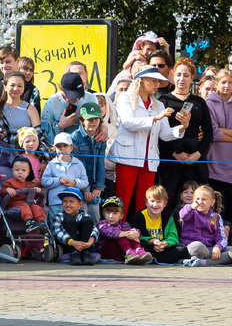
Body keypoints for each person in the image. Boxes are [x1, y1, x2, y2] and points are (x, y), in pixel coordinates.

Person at [111, 67, 186, 215]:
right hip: (128, 156)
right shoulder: (125, 97)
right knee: (123, 199)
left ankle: (143, 234)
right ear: (141, 81)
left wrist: (182, 127)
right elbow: (128, 122)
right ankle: (118, 232)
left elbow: (164, 134)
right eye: (153, 80)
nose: (157, 84)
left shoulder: (159, 105)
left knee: (146, 200)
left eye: (158, 81)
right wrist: (155, 118)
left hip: (149, 159)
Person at [157, 57, 211, 219]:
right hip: (170, 159)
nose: (182, 79)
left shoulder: (199, 102)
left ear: (192, 77)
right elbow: (158, 133)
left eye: (186, 75)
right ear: (173, 75)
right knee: (169, 199)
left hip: (194, 160)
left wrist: (198, 154)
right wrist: (174, 153)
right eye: (179, 74)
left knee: (195, 201)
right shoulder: (164, 101)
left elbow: (208, 132)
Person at [128, 185, 187, 264]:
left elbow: (173, 237)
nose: (155, 205)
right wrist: (151, 241)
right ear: (146, 202)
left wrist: (165, 244)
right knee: (136, 246)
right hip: (147, 247)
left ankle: (153, 259)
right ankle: (155, 258)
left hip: (163, 248)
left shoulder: (168, 216)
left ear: (165, 203)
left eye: (159, 201)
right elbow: (137, 237)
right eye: (152, 201)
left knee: (182, 249)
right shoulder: (139, 217)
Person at [71, 102, 106, 222]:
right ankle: (82, 239)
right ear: (82, 120)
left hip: (94, 184)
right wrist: (86, 189)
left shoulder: (101, 137)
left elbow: (101, 162)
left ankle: (94, 240)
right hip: (80, 185)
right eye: (89, 119)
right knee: (82, 213)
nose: (93, 122)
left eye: (96, 119)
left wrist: (99, 187)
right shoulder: (75, 138)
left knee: (95, 215)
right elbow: (78, 165)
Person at [176, 185, 229, 264]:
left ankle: (202, 262)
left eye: (204, 199)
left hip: (208, 249)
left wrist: (218, 247)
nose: (200, 202)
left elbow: (222, 237)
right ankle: (210, 261)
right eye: (197, 199)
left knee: (230, 251)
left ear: (212, 202)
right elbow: (183, 216)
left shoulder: (216, 217)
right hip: (191, 248)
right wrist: (191, 207)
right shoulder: (190, 210)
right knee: (197, 246)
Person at [41, 71, 98, 142]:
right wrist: (60, 126)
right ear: (62, 88)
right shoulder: (51, 102)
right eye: (72, 96)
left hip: (84, 145)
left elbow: (100, 121)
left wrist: (103, 127)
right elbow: (44, 135)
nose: (76, 99)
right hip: (60, 146)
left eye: (79, 95)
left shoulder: (91, 98)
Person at [42, 132, 90, 216]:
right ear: (55, 148)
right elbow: (45, 181)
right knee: (56, 224)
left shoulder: (78, 164)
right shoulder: (51, 164)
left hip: (73, 203)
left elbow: (85, 181)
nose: (62, 149)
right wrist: (58, 180)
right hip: (56, 201)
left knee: (72, 224)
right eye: (59, 146)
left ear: (71, 147)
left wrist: (75, 183)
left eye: (65, 146)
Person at [0, 156, 48, 234]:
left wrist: (36, 191)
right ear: (12, 171)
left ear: (28, 173)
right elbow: (2, 193)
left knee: (36, 207)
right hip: (14, 204)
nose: (20, 172)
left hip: (28, 203)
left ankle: (41, 222)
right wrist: (7, 189)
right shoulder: (10, 182)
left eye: (23, 170)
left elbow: (33, 197)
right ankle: (29, 222)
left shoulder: (29, 184)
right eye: (17, 170)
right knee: (24, 206)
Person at [96, 197, 150, 264]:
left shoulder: (124, 224)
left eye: (115, 213)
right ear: (104, 214)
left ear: (121, 216)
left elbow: (132, 230)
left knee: (130, 233)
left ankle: (138, 250)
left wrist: (136, 233)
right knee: (122, 232)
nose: (111, 216)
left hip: (120, 253)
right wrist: (124, 233)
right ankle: (129, 252)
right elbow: (108, 232)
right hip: (107, 252)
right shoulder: (102, 224)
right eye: (108, 213)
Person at [205, 69, 232, 204]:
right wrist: (219, 131)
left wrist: (222, 130)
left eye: (230, 82)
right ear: (217, 84)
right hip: (215, 164)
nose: (227, 85)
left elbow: (218, 131)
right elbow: (214, 134)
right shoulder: (209, 103)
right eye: (223, 82)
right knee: (217, 207)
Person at [0, 71, 40, 146]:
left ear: (23, 88)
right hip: (2, 152)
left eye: (20, 86)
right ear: (5, 87)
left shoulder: (31, 109)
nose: (15, 89)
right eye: (12, 85)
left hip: (23, 153)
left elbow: (38, 134)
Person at [53, 188, 96, 265]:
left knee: (87, 220)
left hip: (84, 244)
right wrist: (73, 243)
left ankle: (86, 253)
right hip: (68, 244)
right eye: (65, 201)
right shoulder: (59, 216)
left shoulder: (84, 214)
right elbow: (57, 231)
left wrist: (90, 241)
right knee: (69, 220)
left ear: (80, 204)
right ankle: (74, 254)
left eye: (71, 202)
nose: (68, 204)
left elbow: (94, 229)